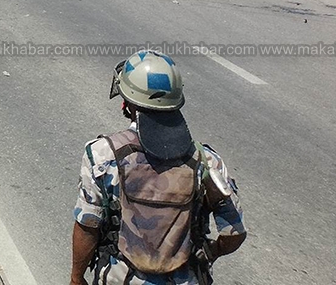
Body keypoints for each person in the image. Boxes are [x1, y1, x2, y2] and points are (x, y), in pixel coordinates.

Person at [71, 51, 246, 285]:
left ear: (128, 103)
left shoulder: (102, 155)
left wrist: (76, 278)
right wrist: (207, 253)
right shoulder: (206, 161)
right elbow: (233, 233)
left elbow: (88, 225)